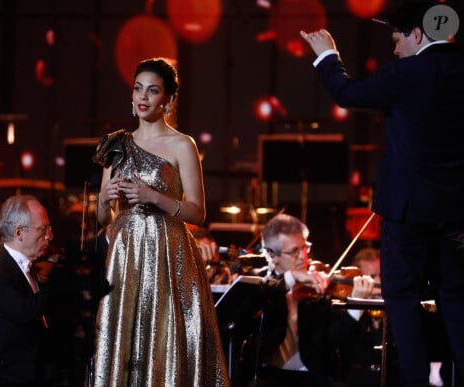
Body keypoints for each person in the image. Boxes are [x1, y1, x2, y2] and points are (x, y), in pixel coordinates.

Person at [301, 1, 464, 385]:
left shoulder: (405, 74)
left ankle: (415, 381)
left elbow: (347, 93)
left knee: (402, 298)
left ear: (419, 35)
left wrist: (328, 55)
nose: (394, 48)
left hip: (407, 212)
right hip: (456, 215)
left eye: (397, 38)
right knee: (457, 300)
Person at [91, 57, 230, 386]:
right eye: (138, 89)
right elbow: (102, 219)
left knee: (164, 337)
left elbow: (198, 212)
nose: (142, 97)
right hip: (124, 253)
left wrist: (154, 197)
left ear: (168, 99)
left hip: (168, 251)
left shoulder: (182, 144)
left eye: (152, 91)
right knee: (122, 337)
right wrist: (104, 198)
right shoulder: (116, 145)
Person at [238, 213, 375, 387]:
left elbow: (335, 339)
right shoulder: (258, 283)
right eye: (295, 251)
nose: (304, 257)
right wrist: (291, 277)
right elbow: (253, 302)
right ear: (272, 255)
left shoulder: (315, 288)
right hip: (269, 377)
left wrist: (357, 303)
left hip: (311, 376)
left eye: (305, 248)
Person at [0, 195, 53, 387]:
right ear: (19, 232)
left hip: (39, 370)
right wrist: (57, 286)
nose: (50, 236)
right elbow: (23, 311)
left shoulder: (33, 268)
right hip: (11, 377)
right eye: (43, 229)